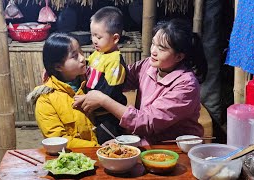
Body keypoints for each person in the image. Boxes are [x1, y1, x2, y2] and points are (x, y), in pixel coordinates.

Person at [74, 18, 207, 146]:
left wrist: (103, 100)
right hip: (144, 138)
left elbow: (147, 121)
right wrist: (106, 62)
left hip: (173, 145)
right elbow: (121, 80)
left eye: (161, 48)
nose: (153, 51)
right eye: (153, 43)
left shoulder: (186, 85)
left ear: (179, 56)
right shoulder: (148, 65)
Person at [27, 33, 98, 148]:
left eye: (81, 51)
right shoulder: (46, 99)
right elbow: (58, 140)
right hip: (73, 160)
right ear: (58, 67)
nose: (82, 58)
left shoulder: (92, 82)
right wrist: (97, 147)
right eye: (74, 56)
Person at [85, 6, 128, 144]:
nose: (94, 40)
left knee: (107, 145)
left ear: (115, 38)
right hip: (94, 111)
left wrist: (88, 100)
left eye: (98, 37)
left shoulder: (114, 61)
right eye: (92, 35)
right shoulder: (99, 52)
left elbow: (110, 90)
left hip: (107, 116)